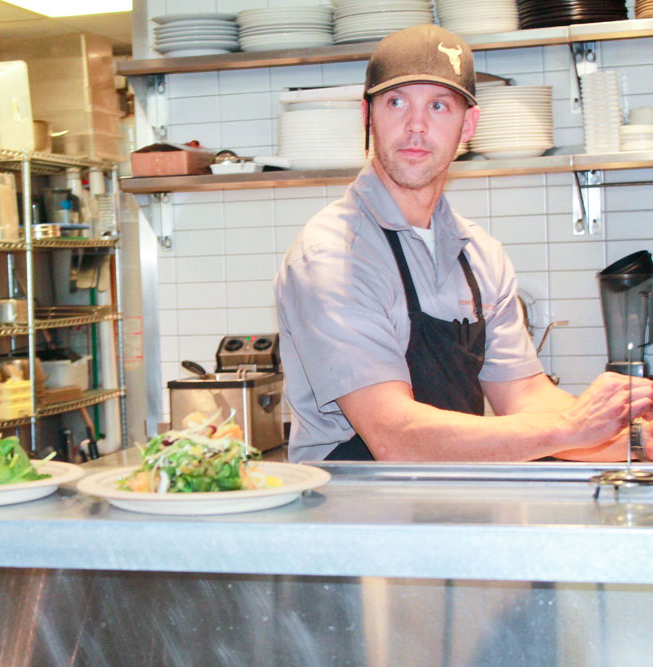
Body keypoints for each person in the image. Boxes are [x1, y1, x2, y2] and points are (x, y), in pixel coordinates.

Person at [274, 24, 653, 462]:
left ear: (468, 124)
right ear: (367, 116)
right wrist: (568, 428)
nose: (416, 125)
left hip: (455, 503)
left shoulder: (478, 253)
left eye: (439, 106)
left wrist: (636, 440)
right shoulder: (332, 256)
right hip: (356, 515)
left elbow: (526, 396)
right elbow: (394, 435)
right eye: (396, 102)